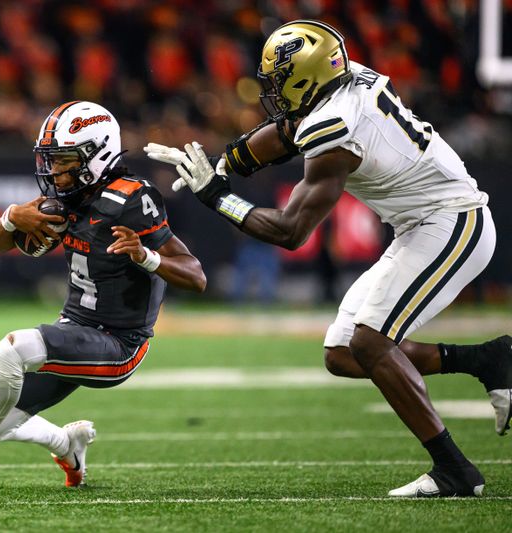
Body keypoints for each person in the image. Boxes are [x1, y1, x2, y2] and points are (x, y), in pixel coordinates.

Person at [145, 20, 511, 497]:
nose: (270, 93)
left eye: (278, 83)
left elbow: (290, 230)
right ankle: (489, 359)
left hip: (452, 221)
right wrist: (224, 164)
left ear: (304, 79)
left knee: (371, 341)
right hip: (420, 225)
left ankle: (455, 471)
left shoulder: (333, 126)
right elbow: (284, 132)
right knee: (343, 353)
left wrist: (217, 197)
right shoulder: (342, 80)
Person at [0, 101, 206, 486]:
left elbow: (196, 276)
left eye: (64, 160)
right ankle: (67, 445)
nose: (54, 171)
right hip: (76, 327)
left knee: (11, 350)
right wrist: (11, 217)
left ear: (97, 155)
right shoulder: (65, 198)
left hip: (119, 342)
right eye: (51, 159)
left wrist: (145, 256)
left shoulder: (132, 199)